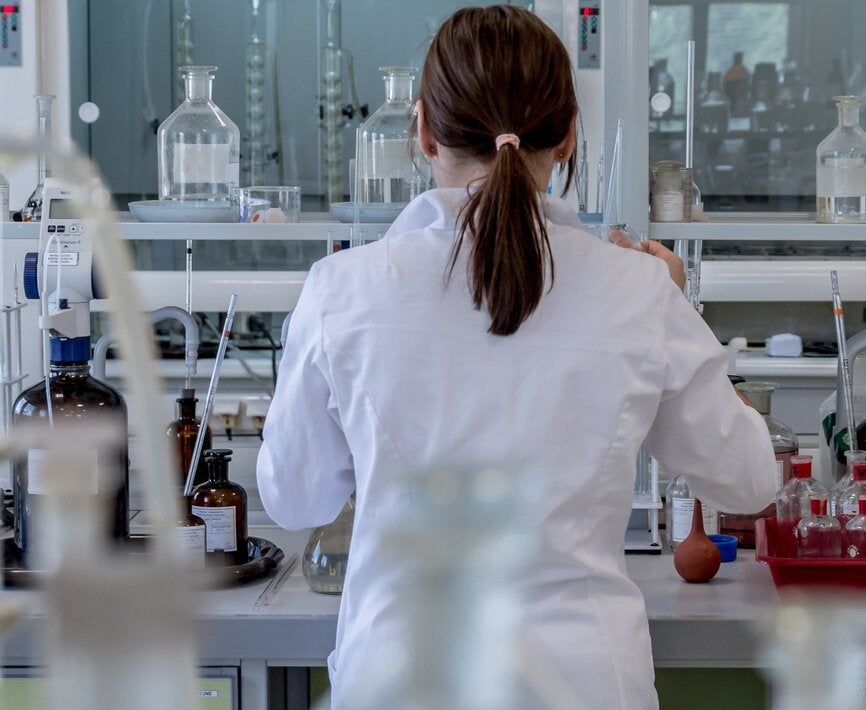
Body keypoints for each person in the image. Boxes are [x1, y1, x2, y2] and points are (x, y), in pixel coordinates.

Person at [255, 6, 777, 709]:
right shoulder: (639, 290)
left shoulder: (343, 290)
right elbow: (749, 482)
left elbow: (294, 500)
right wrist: (684, 316)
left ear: (424, 131)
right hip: (584, 682)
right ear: (565, 137)